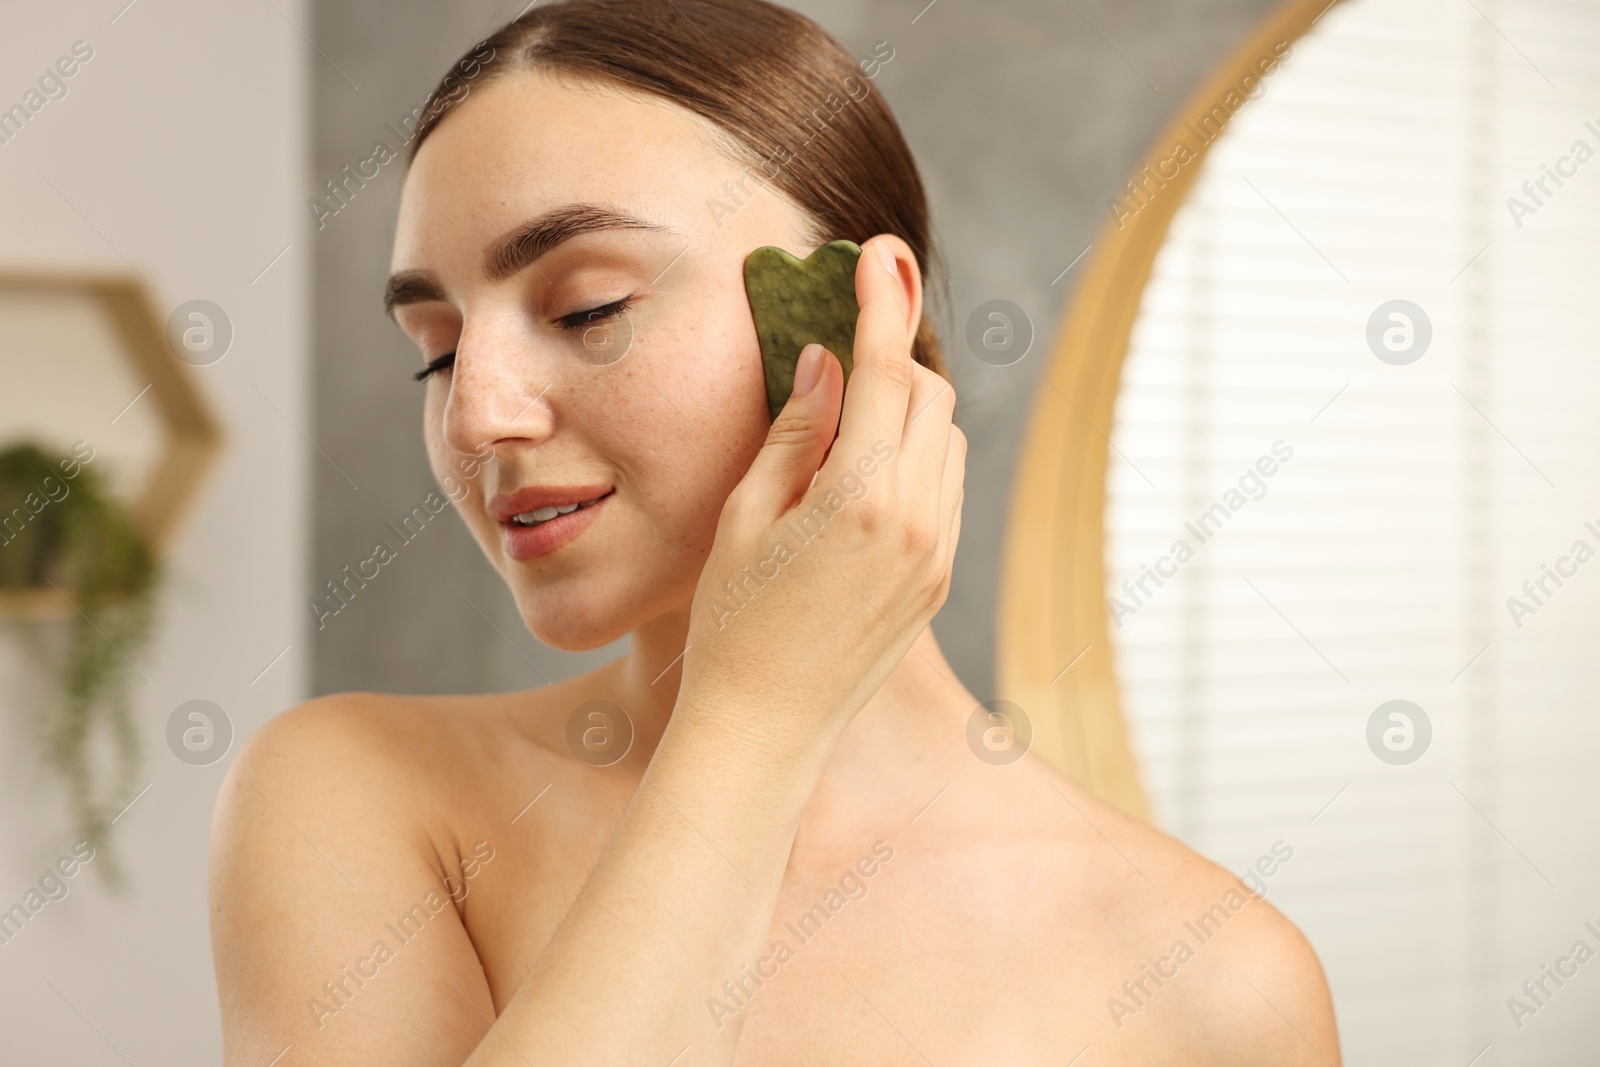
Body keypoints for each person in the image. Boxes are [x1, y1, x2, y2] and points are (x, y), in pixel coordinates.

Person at [208, 1, 1340, 1063]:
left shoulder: (1217, 983)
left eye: (586, 307)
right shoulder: (356, 794)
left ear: (858, 317)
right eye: (439, 347)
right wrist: (753, 715)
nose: (475, 414)